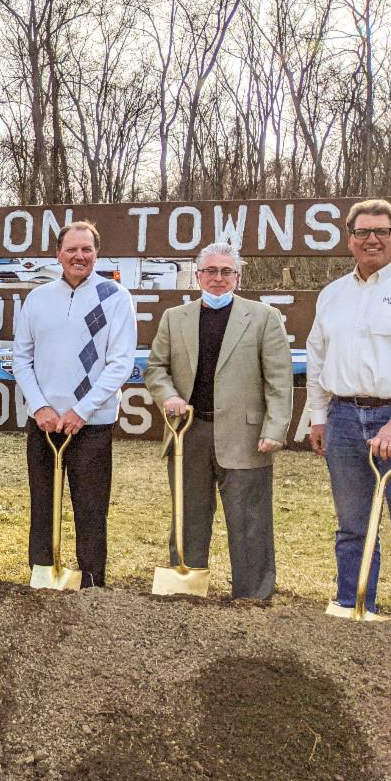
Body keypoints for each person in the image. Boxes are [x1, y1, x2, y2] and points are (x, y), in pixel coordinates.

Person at [144, 242, 293, 599]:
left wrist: (275, 428)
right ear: (198, 276)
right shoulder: (174, 318)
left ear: (238, 277)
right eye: (210, 271)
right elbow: (156, 369)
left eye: (226, 271)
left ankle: (252, 596)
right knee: (188, 515)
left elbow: (279, 380)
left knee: (249, 520)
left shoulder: (263, 317)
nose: (218, 278)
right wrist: (169, 397)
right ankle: (186, 588)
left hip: (246, 435)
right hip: (188, 432)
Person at [12, 221, 136, 588]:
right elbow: (21, 358)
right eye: (71, 249)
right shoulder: (38, 298)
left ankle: (92, 584)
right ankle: (42, 577)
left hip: (92, 424)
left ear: (96, 253)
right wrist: (39, 407)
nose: (79, 256)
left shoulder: (115, 297)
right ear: (58, 254)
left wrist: (82, 410)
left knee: (91, 509)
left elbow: (120, 363)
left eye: (86, 249)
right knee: (42, 504)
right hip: (44, 423)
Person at [307, 198, 391, 614]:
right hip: (343, 418)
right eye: (362, 232)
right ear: (350, 239)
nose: (371, 239)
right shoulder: (333, 294)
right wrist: (318, 418)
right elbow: (317, 359)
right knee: (352, 524)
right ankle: (353, 605)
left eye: (381, 231)